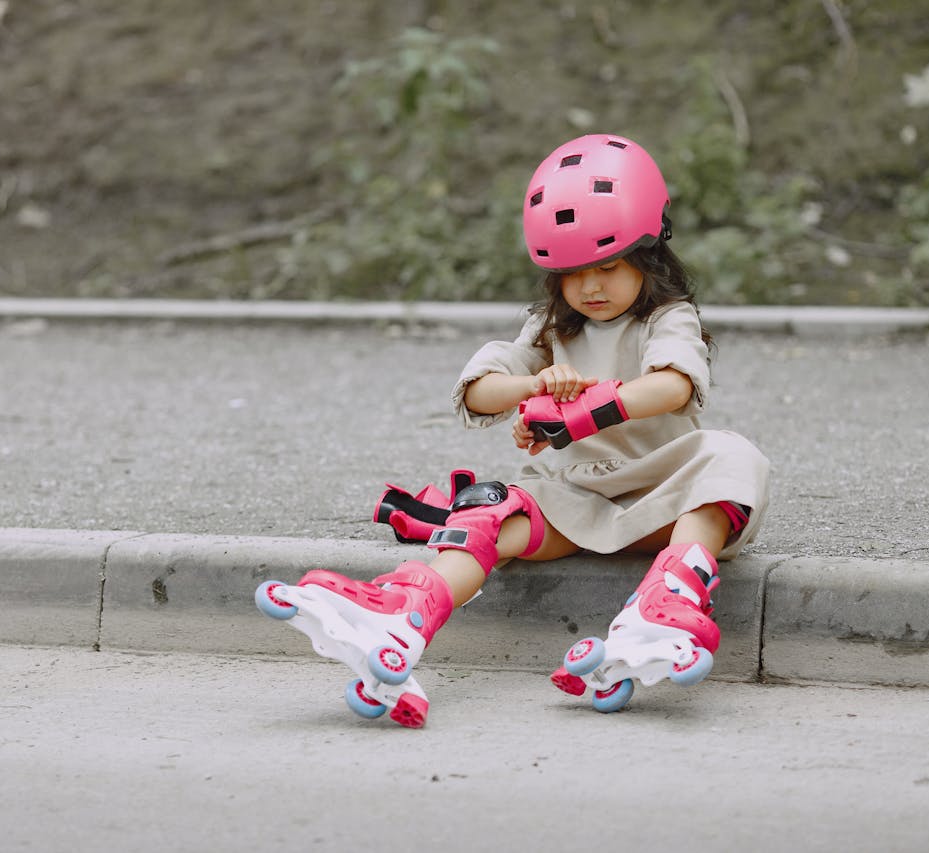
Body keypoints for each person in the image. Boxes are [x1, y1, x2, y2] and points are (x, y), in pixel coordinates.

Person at [255, 133, 771, 727]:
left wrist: (590, 409)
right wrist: (534, 387)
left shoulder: (668, 317)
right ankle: (403, 613)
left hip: (660, 497)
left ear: (649, 255)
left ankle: (664, 608)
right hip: (571, 497)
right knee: (489, 509)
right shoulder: (550, 329)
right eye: (574, 274)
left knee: (733, 459)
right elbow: (478, 391)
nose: (592, 288)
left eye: (608, 266)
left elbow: (673, 386)